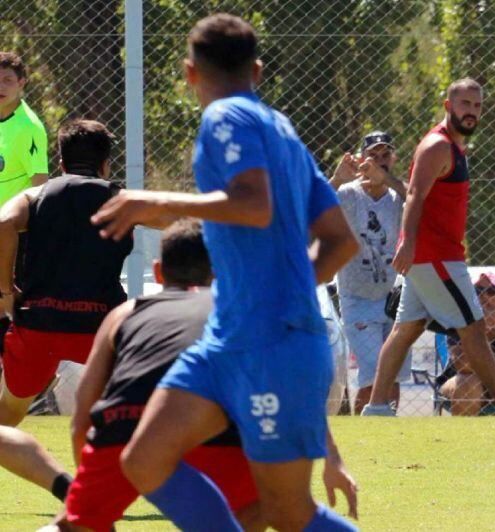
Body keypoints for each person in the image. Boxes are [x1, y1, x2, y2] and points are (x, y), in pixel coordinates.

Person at [90, 14, 360, 531]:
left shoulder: (226, 117)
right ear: (256, 69)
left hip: (271, 345)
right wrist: (289, 286)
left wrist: (160, 200)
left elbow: (253, 205)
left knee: (287, 512)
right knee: (143, 459)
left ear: (190, 73)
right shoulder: (283, 132)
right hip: (226, 342)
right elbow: (340, 239)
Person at [52, 219, 260, 531]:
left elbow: (83, 412)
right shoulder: (236, 310)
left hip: (124, 428)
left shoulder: (125, 313)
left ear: (159, 271)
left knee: (71, 525)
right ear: (217, 271)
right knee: (260, 505)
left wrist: (91, 495)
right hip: (212, 431)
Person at [362, 78, 495, 417]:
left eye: (477, 105)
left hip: (432, 256)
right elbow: (414, 196)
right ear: (448, 106)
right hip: (436, 256)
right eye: (464, 104)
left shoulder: (452, 146)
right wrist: (407, 244)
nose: (472, 111)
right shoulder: (437, 145)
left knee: (405, 329)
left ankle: (376, 406)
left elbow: (413, 189)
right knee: (473, 327)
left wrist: (410, 243)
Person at [0, 119, 133, 502]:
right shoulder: (121, 198)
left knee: (8, 412)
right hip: (99, 328)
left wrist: (6, 291)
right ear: (107, 163)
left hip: (38, 322)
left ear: (60, 160)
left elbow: (4, 223)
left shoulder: (35, 197)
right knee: (132, 411)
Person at [330, 131, 411, 414]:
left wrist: (386, 179)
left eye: (385, 155)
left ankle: (390, 435)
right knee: (372, 376)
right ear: (361, 160)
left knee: (394, 375)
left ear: (393, 158)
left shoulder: (397, 196)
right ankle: (368, 432)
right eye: (372, 156)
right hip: (358, 298)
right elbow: (312, 213)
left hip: (392, 297)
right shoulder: (349, 194)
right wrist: (338, 178)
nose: (379, 161)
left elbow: (419, 197)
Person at [439, 273, 495, 416]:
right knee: (470, 382)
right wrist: (479, 331)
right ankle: (462, 434)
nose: (484, 297)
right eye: (478, 291)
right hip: (460, 381)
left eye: (491, 291)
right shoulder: (460, 318)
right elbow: (463, 367)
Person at [0, 52, 49, 202]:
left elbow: (40, 187)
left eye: (7, 80)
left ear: (21, 83)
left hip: (13, 224)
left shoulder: (29, 127)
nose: (0, 86)